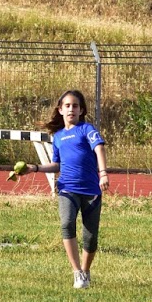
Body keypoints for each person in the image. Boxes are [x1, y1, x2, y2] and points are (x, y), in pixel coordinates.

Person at [14, 90, 109, 290]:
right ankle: (77, 272)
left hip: (91, 190)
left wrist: (103, 173)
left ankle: (85, 271)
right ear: (60, 110)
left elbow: (99, 148)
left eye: (75, 106)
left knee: (90, 237)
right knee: (66, 224)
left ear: (81, 110)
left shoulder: (87, 129)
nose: (71, 109)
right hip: (67, 188)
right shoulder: (57, 137)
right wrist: (35, 168)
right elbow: (57, 164)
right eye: (67, 105)